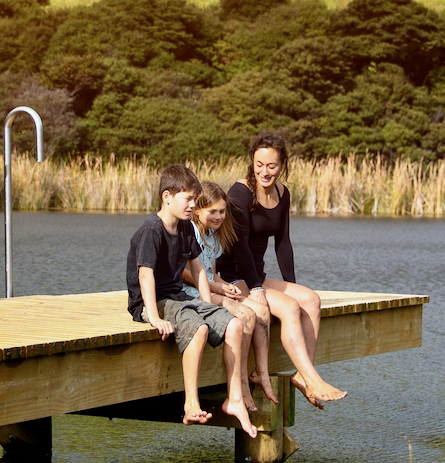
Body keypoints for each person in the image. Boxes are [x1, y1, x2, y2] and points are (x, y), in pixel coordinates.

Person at [127, 164, 258, 435]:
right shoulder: (153, 229)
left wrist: (209, 304)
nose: (191, 205)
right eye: (187, 199)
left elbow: (198, 269)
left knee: (234, 324)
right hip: (155, 301)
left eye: (193, 199)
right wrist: (153, 317)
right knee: (198, 328)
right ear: (167, 197)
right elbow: (145, 277)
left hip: (179, 298)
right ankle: (190, 404)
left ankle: (234, 400)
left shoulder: (186, 227)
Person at [218, 133, 347, 409]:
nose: (265, 171)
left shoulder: (282, 193)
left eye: (272, 166)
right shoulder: (239, 193)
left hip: (257, 275)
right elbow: (239, 247)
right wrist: (255, 289)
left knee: (310, 300)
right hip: (233, 276)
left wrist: (292, 285)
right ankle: (314, 379)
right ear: (252, 163)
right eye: (259, 164)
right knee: (289, 308)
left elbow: (283, 243)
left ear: (282, 165)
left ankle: (303, 374)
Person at [185, 180, 278, 411]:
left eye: (222, 211)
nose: (218, 217)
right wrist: (216, 288)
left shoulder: (215, 235)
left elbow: (212, 273)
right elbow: (184, 273)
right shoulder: (191, 232)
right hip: (193, 292)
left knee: (262, 311)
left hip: (211, 287)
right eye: (212, 212)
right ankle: (240, 386)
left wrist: (225, 285)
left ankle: (260, 372)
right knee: (245, 314)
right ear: (197, 210)